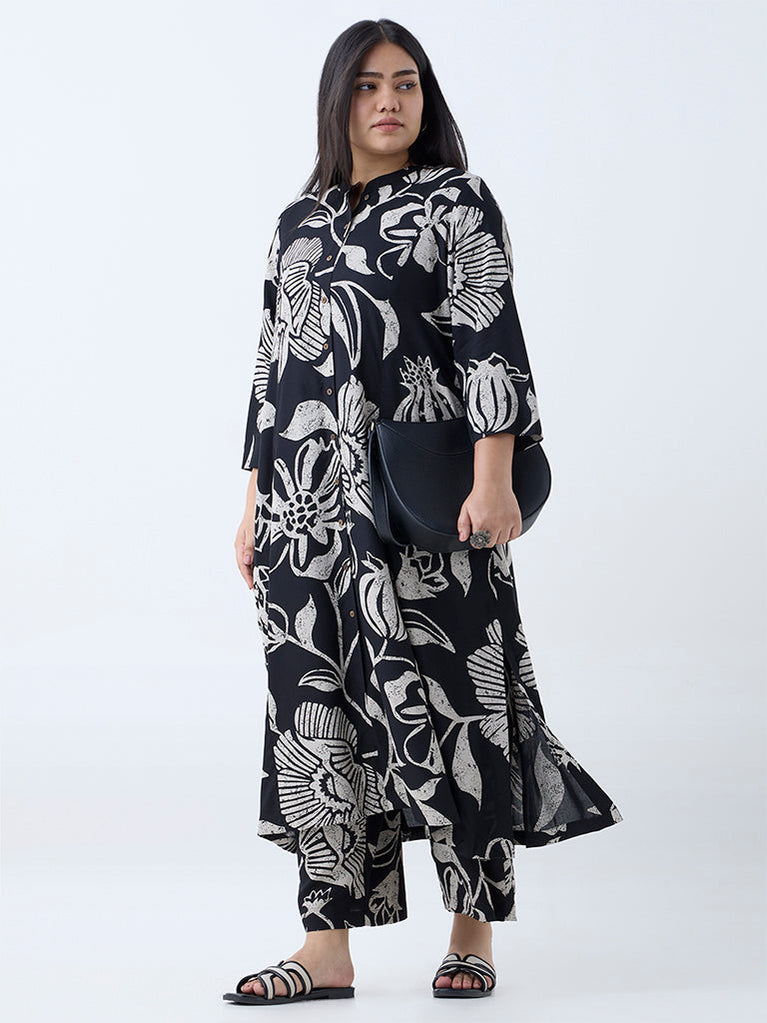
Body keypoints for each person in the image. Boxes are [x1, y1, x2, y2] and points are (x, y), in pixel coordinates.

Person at [228, 18, 623, 1006]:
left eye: (404, 83)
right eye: (368, 86)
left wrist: (492, 478)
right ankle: (325, 948)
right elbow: (272, 370)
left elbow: (491, 337)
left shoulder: (456, 202)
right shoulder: (296, 222)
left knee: (458, 705)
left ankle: (471, 933)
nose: (388, 101)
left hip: (427, 505)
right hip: (304, 513)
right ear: (337, 101)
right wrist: (253, 502)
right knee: (315, 715)